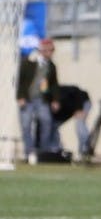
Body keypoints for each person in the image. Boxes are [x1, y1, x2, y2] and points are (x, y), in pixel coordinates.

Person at [16, 37, 60, 165]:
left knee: (46, 122)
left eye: (52, 50)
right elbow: (20, 81)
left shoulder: (51, 66)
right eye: (48, 50)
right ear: (42, 50)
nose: (50, 53)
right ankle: (28, 152)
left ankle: (43, 152)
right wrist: (20, 97)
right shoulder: (28, 62)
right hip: (27, 99)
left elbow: (54, 85)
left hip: (42, 99)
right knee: (26, 125)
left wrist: (55, 100)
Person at [51, 84, 93, 159]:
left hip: (83, 102)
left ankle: (84, 151)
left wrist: (79, 108)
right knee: (53, 127)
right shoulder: (52, 109)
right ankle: (57, 150)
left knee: (80, 125)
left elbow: (77, 91)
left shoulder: (61, 93)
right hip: (72, 110)